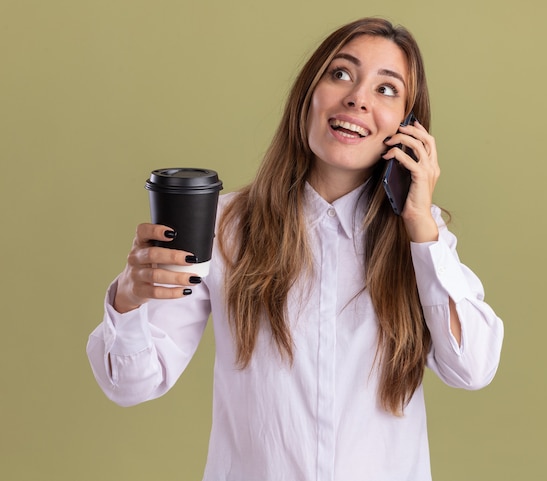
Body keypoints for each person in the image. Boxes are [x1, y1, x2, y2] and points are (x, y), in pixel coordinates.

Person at [87, 17, 504, 481]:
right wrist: (128, 299)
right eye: (341, 73)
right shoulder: (225, 227)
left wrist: (421, 226)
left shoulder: (421, 238)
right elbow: (131, 384)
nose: (358, 98)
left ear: (408, 126)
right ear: (309, 94)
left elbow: (472, 367)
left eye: (386, 89)